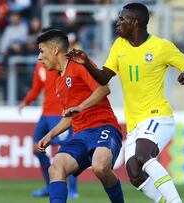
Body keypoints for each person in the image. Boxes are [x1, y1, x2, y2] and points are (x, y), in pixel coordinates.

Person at [66, 3, 184, 203]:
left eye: (122, 19)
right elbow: (104, 78)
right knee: (135, 174)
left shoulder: (161, 47)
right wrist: (86, 63)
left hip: (157, 115)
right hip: (135, 123)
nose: (118, 23)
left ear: (135, 23)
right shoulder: (119, 46)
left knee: (144, 156)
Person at [35, 29, 125, 203]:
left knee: (100, 167)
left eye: (41, 51)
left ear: (54, 50)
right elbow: (71, 115)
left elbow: (103, 88)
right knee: (56, 167)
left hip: (104, 127)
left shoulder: (78, 64)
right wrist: (50, 135)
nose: (39, 57)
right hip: (81, 134)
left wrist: (81, 106)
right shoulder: (58, 80)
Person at [18, 62, 78, 198]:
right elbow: (36, 88)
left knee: (65, 151)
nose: (40, 55)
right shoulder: (40, 65)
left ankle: (72, 189)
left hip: (60, 113)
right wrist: (26, 101)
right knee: (36, 148)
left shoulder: (60, 62)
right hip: (45, 114)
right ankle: (49, 186)